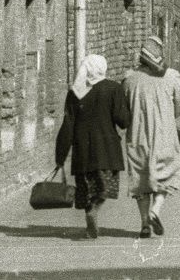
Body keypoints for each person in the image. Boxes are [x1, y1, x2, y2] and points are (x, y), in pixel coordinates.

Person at [54, 53, 128, 239]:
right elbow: (123, 120)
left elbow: (67, 126)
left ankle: (89, 214)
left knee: (86, 188)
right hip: (107, 151)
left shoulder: (75, 92)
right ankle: (94, 209)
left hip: (82, 152)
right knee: (104, 188)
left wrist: (60, 156)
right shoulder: (113, 88)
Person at [122, 36, 180, 240]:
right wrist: (168, 115)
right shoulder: (172, 77)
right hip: (165, 133)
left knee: (140, 176)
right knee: (168, 171)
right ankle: (155, 211)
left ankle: (144, 223)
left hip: (138, 134)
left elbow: (124, 107)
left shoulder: (130, 79)